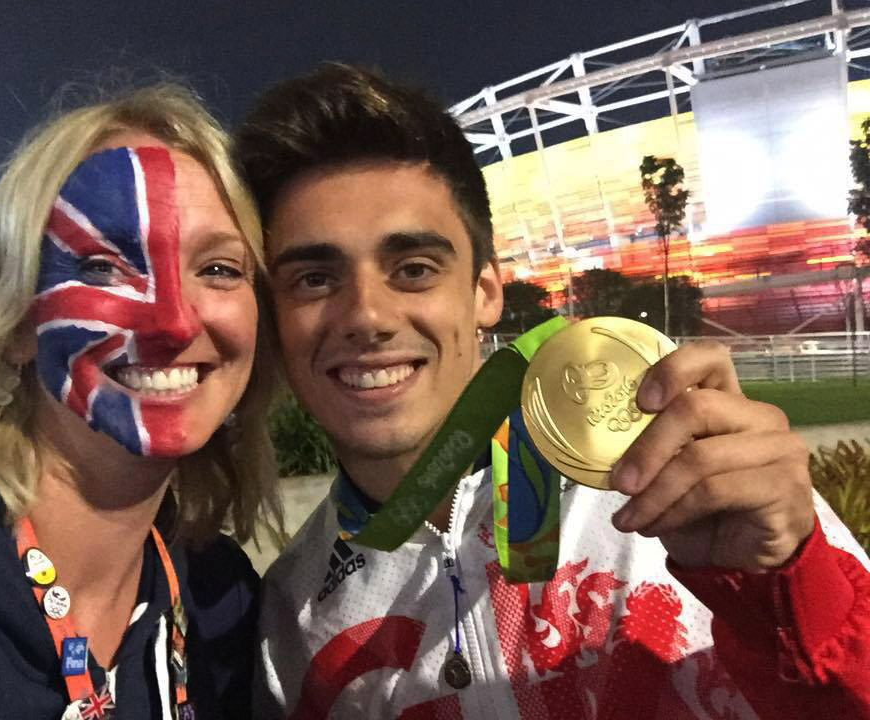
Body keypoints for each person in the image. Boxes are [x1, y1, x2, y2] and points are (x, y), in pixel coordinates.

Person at [236, 63, 870, 719]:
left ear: (484, 290)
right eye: (314, 279)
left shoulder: (681, 477)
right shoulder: (291, 614)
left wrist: (786, 587)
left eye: (414, 269)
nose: (366, 315)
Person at [0, 83, 283, 719]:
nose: (173, 323)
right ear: (19, 322)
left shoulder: (225, 603)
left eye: (219, 269)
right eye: (103, 268)